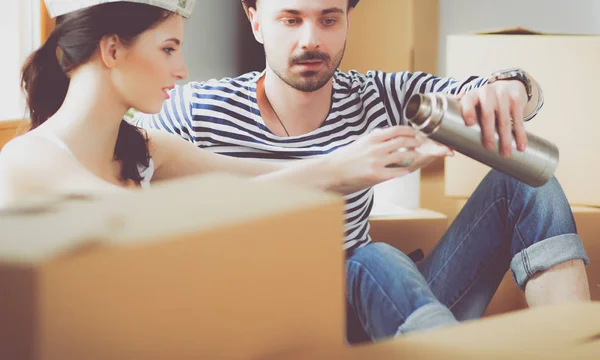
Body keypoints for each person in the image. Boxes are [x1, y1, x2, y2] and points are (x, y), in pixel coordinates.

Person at [135, 0, 591, 343]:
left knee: (524, 180)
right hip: (261, 327)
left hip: (389, 310)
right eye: (290, 19)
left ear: (350, 19)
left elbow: (485, 92)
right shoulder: (196, 110)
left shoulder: (378, 95)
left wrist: (512, 86)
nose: (310, 39)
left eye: (329, 19)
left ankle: (573, 343)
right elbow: (121, 166)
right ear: (255, 19)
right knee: (374, 258)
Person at [0, 0, 439, 207]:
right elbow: (149, 223)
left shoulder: (145, 148)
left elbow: (271, 176)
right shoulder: (28, 159)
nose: (182, 69)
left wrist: (362, 162)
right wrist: (338, 168)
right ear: (112, 50)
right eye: (169, 49)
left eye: (328, 19)